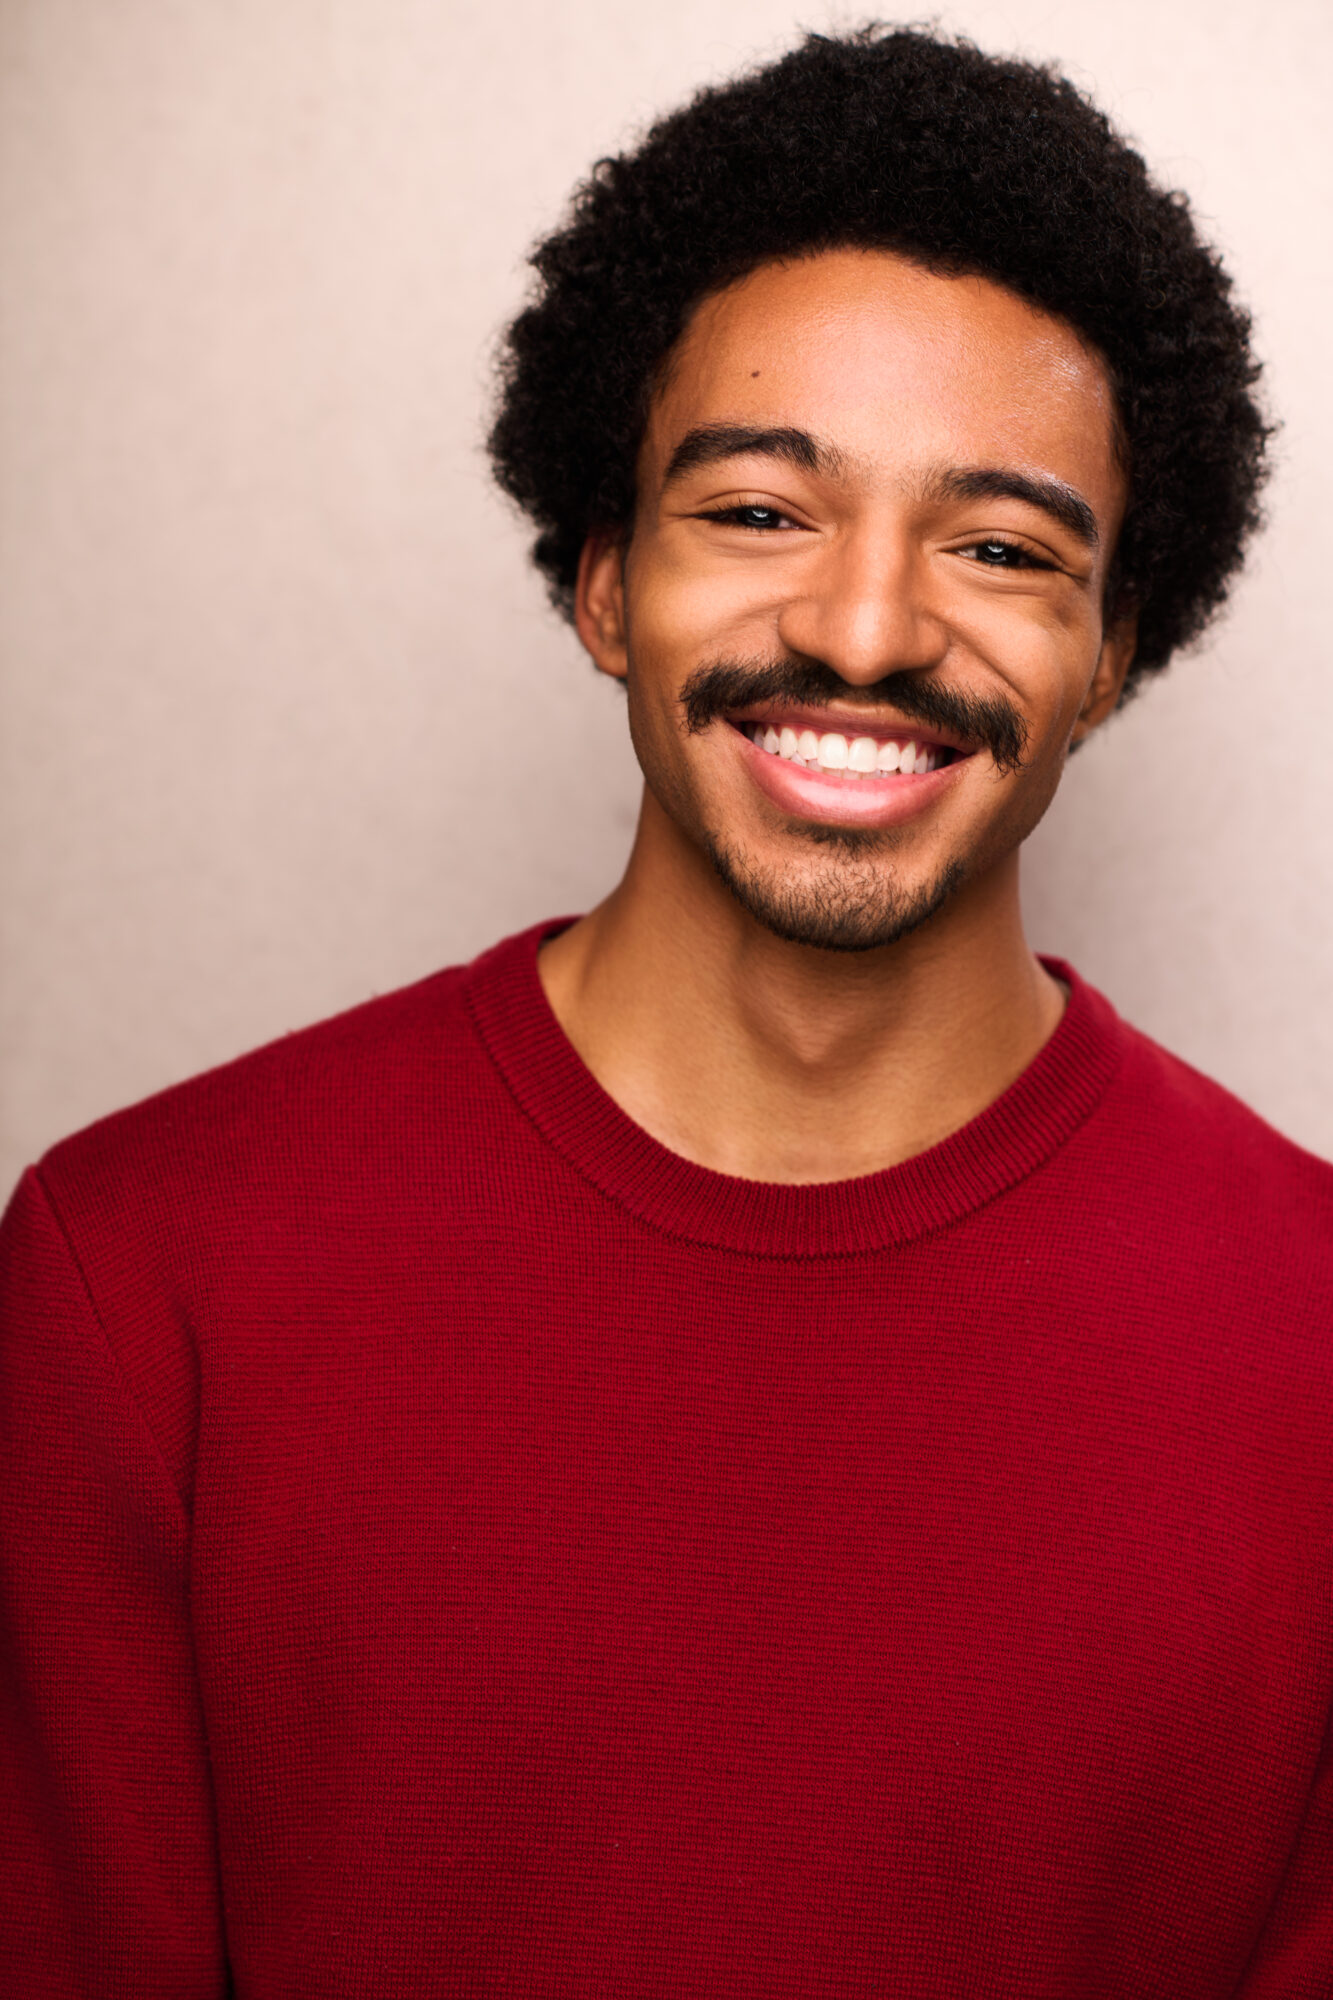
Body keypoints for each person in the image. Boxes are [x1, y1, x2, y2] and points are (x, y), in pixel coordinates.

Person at [2, 23, 1329, 1998]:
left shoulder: (1310, 1341)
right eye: (757, 512)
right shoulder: (144, 1283)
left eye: (998, 548)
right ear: (603, 581)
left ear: (1116, 644)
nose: (867, 632)